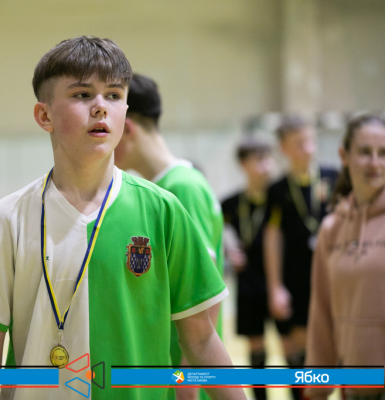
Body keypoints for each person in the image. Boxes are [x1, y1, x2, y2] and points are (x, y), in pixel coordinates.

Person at [0, 36, 245, 400]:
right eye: (82, 94)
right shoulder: (7, 219)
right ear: (44, 116)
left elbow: (201, 340)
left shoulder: (164, 211)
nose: (101, 107)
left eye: (114, 95)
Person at [113, 73, 225, 400]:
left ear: (127, 128)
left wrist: (188, 380)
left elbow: (204, 290)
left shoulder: (181, 187)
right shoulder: (166, 187)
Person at [305, 115, 385, 400]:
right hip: (352, 388)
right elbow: (321, 315)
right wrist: (317, 387)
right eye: (365, 152)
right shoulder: (332, 229)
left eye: (383, 153)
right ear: (344, 156)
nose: (375, 163)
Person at [263, 115, 338, 399]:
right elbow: (273, 239)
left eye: (310, 141)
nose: (308, 148)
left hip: (333, 276)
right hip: (296, 278)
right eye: (299, 143)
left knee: (338, 345)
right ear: (283, 148)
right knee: (298, 349)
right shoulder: (278, 189)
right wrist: (275, 287)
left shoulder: (334, 177)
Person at [221, 139, 273, 400]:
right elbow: (215, 231)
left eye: (268, 158)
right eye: (259, 159)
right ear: (244, 164)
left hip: (281, 280)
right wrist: (229, 250)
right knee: (256, 346)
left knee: (293, 344)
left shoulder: (280, 198)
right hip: (249, 283)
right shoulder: (230, 204)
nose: (267, 166)